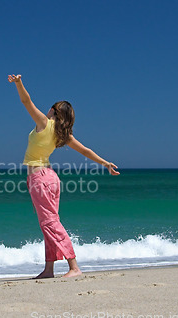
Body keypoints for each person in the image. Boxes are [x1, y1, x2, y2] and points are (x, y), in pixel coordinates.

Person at [8, 74, 120, 279]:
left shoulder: (44, 123)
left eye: (51, 107)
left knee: (50, 223)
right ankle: (49, 269)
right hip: (49, 178)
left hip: (40, 178)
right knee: (49, 223)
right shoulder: (62, 134)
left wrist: (18, 83)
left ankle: (74, 267)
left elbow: (26, 101)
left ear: (54, 111)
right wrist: (105, 163)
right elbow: (85, 150)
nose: (48, 109)